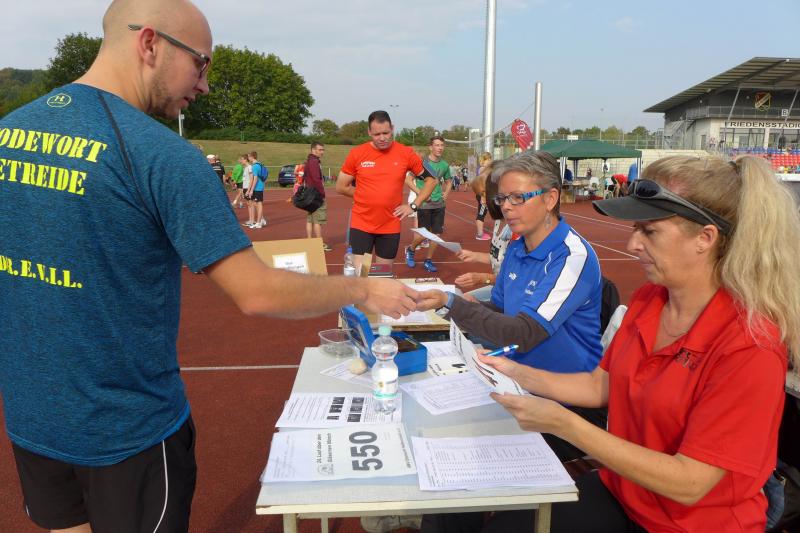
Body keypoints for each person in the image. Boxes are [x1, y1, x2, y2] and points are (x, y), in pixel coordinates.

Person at [0, 2, 422, 531]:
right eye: (201, 64)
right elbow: (256, 292)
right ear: (149, 43)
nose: (203, 85)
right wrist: (361, 291)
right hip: (127, 428)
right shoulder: (162, 155)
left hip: (32, 416)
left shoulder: (9, 131)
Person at [457, 155, 800, 532]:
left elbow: (691, 483)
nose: (633, 243)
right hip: (625, 492)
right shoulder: (652, 299)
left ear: (705, 238)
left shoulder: (749, 344)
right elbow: (602, 384)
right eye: (636, 228)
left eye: (649, 231)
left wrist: (564, 423)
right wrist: (512, 372)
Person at [417, 150, 603, 374]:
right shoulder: (516, 248)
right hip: (519, 373)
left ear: (550, 199)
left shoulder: (572, 257)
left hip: (564, 386)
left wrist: (453, 304)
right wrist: (462, 305)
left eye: (518, 197)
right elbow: (501, 309)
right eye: (502, 198)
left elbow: (524, 333)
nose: (505, 206)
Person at [336, 110, 437, 267]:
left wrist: (413, 206)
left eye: (386, 133)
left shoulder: (406, 153)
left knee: (383, 275)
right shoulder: (357, 153)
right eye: (377, 134)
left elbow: (432, 180)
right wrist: (366, 196)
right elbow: (341, 186)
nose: (382, 138)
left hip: (390, 226)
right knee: (362, 275)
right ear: (369, 132)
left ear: (392, 129)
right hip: (362, 224)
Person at [454, 161, 517, 302]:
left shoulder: (516, 228)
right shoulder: (499, 221)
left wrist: (483, 278)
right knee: (460, 301)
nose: (482, 201)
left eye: (484, 194)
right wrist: (474, 256)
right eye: (480, 196)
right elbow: (499, 258)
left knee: (462, 304)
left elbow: (517, 278)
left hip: (512, 294)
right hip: (501, 289)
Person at [404, 135, 453, 273]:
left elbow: (449, 181)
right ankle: (411, 249)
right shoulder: (422, 163)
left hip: (439, 204)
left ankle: (428, 260)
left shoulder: (444, 165)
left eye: (442, 145)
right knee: (423, 235)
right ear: (430, 147)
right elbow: (408, 180)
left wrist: (446, 193)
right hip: (425, 204)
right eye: (437, 145)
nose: (440, 148)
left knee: (436, 235)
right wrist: (421, 193)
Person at [303, 141, 332, 252]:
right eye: (320, 150)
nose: (322, 152)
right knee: (318, 220)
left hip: (309, 194)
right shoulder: (314, 162)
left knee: (310, 219)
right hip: (316, 195)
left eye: (323, 150)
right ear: (313, 150)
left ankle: (309, 241)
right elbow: (316, 179)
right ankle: (319, 243)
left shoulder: (308, 161)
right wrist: (322, 193)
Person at [474, 151, 492, 240]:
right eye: (489, 159)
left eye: (490, 159)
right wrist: (483, 197)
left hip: (483, 194)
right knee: (481, 213)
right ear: (485, 160)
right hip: (483, 194)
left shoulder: (482, 169)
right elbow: (482, 184)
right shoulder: (483, 169)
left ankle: (480, 233)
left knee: (482, 213)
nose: (490, 161)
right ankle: (480, 234)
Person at [247, 151, 267, 228]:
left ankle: (258, 223)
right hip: (260, 187)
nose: (248, 158)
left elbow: (255, 179)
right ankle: (261, 220)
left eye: (249, 157)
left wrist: (251, 190)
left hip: (257, 188)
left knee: (259, 204)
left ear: (252, 157)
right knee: (256, 203)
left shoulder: (255, 166)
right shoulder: (260, 164)